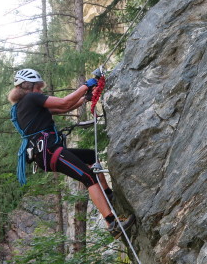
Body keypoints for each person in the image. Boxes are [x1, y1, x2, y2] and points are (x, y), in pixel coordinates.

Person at [8, 68, 135, 238]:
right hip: (50, 150)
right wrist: (86, 85)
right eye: (38, 87)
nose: (41, 90)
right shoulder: (32, 98)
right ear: (29, 86)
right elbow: (63, 103)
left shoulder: (22, 107)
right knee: (88, 176)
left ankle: (108, 195)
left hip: (45, 153)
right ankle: (112, 223)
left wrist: (85, 98)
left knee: (91, 156)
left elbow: (63, 108)